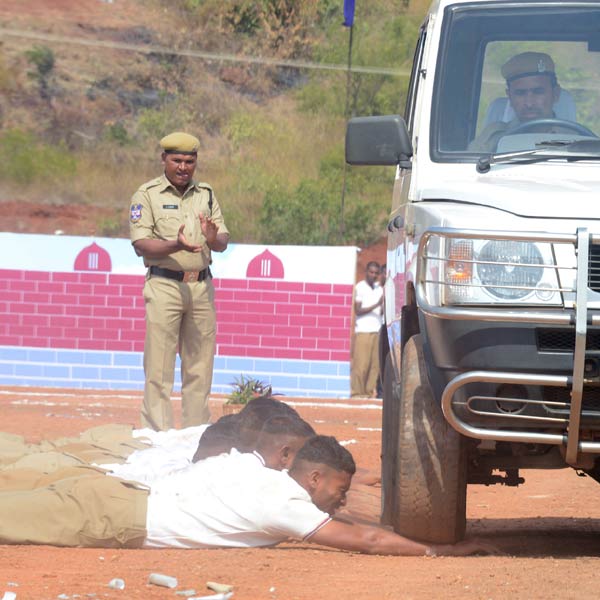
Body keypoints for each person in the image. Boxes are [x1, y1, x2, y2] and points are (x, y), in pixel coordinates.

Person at [0, 435, 492, 556]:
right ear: (314, 478)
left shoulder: (255, 468)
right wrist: (434, 550)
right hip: (114, 514)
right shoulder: (284, 505)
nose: (340, 501)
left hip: (113, 492)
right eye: (338, 491)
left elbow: (365, 524)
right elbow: (368, 541)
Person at [129, 131, 229, 432]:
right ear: (164, 160)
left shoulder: (206, 194)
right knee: (159, 368)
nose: (183, 167)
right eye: (177, 160)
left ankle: (195, 434)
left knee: (199, 367)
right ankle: (156, 436)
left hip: (200, 287)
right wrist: (177, 245)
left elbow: (222, 239)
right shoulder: (146, 194)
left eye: (190, 161)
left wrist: (214, 238)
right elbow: (141, 244)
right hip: (165, 286)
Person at [469, 51, 565, 152]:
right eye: (520, 93)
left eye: (538, 92)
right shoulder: (493, 139)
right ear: (510, 97)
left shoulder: (575, 138)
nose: (529, 103)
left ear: (555, 94)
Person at [351, 261, 383, 399]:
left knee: (374, 365)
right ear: (366, 272)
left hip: (377, 330)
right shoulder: (360, 287)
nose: (374, 275)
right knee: (361, 364)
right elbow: (357, 310)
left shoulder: (379, 289)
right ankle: (357, 393)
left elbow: (381, 312)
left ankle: (369, 393)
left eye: (376, 273)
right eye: (371, 272)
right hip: (363, 330)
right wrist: (376, 304)